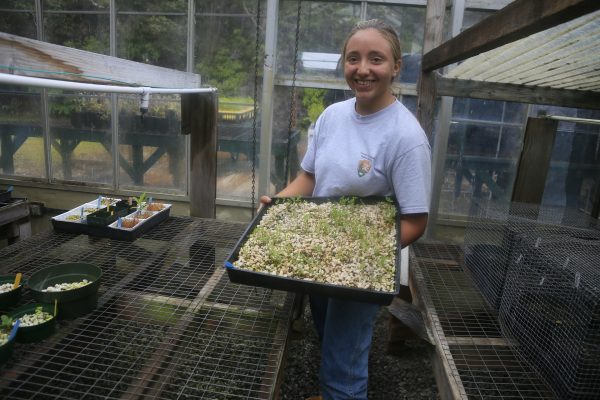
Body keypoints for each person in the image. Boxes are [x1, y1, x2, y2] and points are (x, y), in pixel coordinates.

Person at [261, 19, 431, 400]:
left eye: (376, 59)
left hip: (363, 267)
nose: (363, 69)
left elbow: (416, 222)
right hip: (320, 254)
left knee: (344, 367)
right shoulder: (332, 117)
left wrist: (360, 252)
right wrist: (279, 204)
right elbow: (308, 178)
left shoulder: (405, 137)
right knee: (330, 334)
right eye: (353, 58)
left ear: (396, 67)